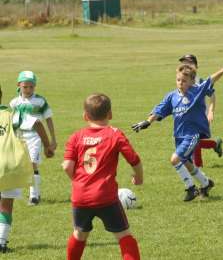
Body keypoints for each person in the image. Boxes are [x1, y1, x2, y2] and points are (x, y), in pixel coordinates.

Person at [132, 55, 223, 202]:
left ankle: (191, 188)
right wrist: (148, 121)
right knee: (187, 164)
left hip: (192, 134)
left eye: (184, 81)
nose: (180, 83)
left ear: (192, 81)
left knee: (175, 159)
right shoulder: (172, 96)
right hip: (179, 136)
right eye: (178, 80)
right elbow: (160, 109)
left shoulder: (196, 91)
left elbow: (211, 80)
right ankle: (206, 184)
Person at [63, 93, 143, 260]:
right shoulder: (114, 133)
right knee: (124, 235)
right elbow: (133, 159)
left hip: (81, 197)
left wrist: (79, 182)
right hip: (105, 197)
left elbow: (67, 167)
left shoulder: (76, 136)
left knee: (79, 234)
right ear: (110, 114)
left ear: (85, 116)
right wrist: (139, 176)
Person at [0, 84, 54, 253]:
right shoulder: (12, 114)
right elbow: (37, 122)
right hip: (9, 166)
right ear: (1, 95)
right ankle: (1, 242)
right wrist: (47, 146)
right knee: (5, 205)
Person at [9, 71, 57, 206]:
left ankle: (34, 196)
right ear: (19, 85)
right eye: (25, 87)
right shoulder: (14, 103)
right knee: (21, 165)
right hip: (19, 136)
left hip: (35, 136)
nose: (28, 89)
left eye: (31, 86)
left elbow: (48, 119)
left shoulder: (40, 101)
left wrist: (53, 139)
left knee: (31, 164)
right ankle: (26, 192)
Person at [178, 54, 223, 167]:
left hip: (199, 116)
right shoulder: (181, 80)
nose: (186, 66)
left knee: (194, 140)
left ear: (196, 67)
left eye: (190, 64)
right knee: (191, 140)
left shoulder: (200, 82)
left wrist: (211, 111)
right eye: (184, 64)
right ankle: (215, 143)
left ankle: (198, 166)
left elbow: (212, 95)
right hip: (187, 116)